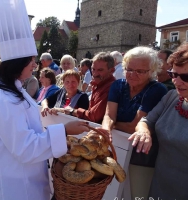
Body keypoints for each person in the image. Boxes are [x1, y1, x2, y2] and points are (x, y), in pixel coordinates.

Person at [0, 1, 90, 199]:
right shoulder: (3, 100)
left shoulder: (14, 89)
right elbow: (25, 147)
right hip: (18, 183)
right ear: (17, 63)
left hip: (27, 176)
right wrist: (64, 130)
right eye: (31, 60)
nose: (35, 64)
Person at [101, 46, 168, 199]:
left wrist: (113, 125)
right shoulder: (118, 85)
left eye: (140, 71)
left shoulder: (157, 89)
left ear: (151, 71)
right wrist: (105, 128)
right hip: (117, 150)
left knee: (137, 194)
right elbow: (109, 115)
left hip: (142, 156)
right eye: (129, 69)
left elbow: (133, 126)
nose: (132, 74)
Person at [129, 43, 188, 199]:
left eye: (185, 77)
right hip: (160, 185)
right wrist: (143, 131)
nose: (177, 81)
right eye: (174, 74)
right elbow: (147, 120)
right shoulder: (172, 97)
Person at [69, 52, 116, 124]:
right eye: (93, 69)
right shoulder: (98, 84)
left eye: (100, 70)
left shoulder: (110, 88)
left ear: (111, 71)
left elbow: (93, 116)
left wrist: (72, 111)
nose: (95, 74)